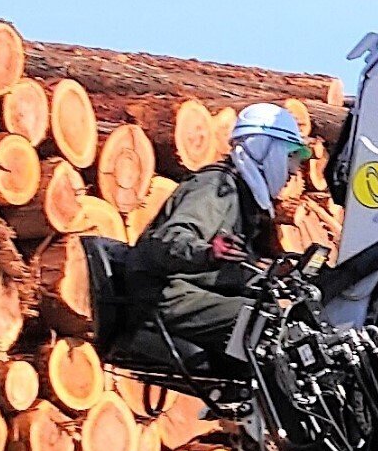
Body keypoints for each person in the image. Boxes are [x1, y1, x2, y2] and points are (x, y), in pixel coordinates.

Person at [108, 102, 309, 380]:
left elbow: (225, 268)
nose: (296, 169)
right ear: (266, 149)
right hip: (164, 297)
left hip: (186, 292)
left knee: (274, 312)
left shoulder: (241, 194)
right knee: (267, 321)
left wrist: (269, 277)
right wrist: (207, 252)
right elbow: (168, 240)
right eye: (293, 155)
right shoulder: (217, 188)